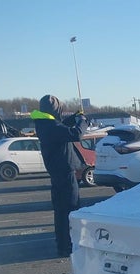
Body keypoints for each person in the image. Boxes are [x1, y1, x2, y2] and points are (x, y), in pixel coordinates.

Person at [31, 95, 87, 257]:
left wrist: (73, 117)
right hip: (64, 174)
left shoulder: (45, 124)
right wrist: (82, 120)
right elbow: (76, 134)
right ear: (56, 110)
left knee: (61, 211)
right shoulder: (51, 127)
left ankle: (63, 244)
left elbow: (61, 127)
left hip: (58, 174)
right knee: (70, 210)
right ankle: (68, 246)